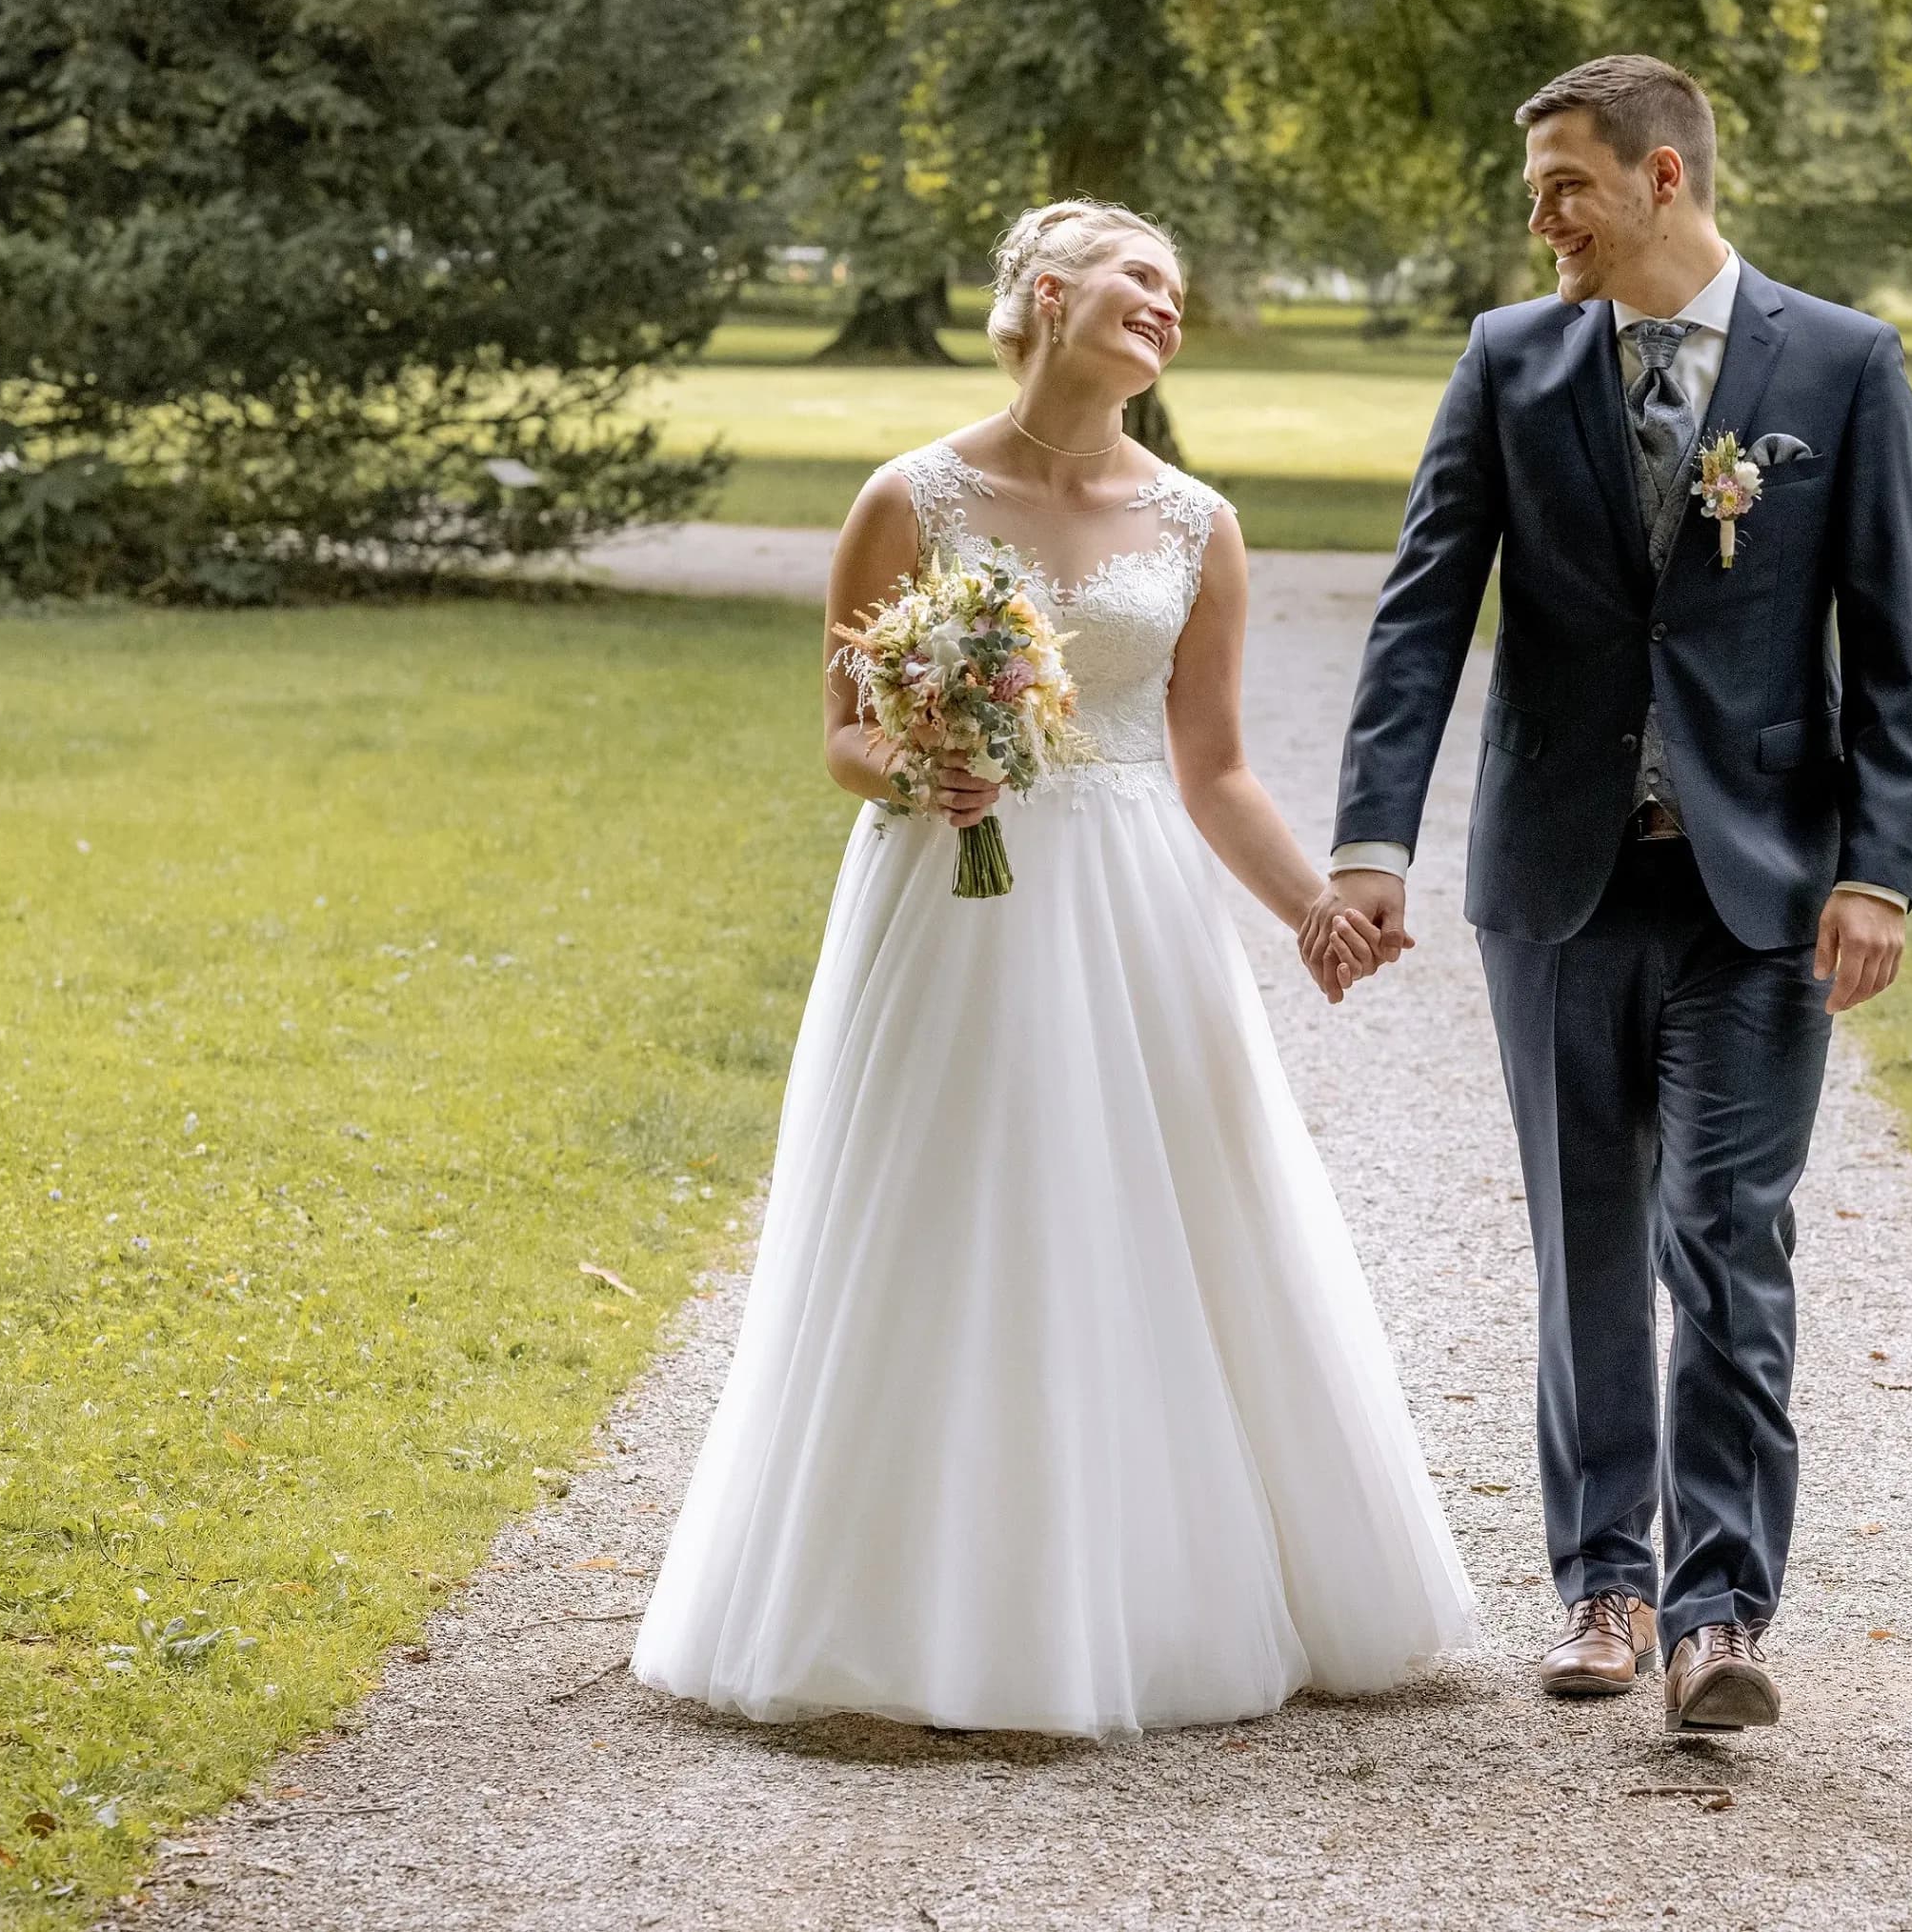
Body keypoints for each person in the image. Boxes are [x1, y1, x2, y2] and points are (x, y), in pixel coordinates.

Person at [633, 199, 1477, 1737]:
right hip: (943, 897)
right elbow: (840, 730)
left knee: (1151, 1207)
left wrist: (1313, 909)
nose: (1167, 304)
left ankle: (1144, 1590)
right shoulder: (912, 497)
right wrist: (918, 765)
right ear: (1042, 292)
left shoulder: (1199, 523)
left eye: (1179, 289)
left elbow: (1214, 766)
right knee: (948, 1202)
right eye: (1139, 277)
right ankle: (901, 1604)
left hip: (1133, 898)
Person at [1312, 55, 1912, 1732]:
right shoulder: (1513, 361)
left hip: (1760, 894)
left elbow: (1889, 647)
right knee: (1589, 1239)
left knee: (1727, 1239)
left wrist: (1882, 868)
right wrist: (1372, 842)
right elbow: (1423, 610)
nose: (1542, 219)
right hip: (1560, 884)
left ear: (1664, 178)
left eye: (1566, 184)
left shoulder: (1845, 364)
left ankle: (1722, 1616)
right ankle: (1606, 1580)